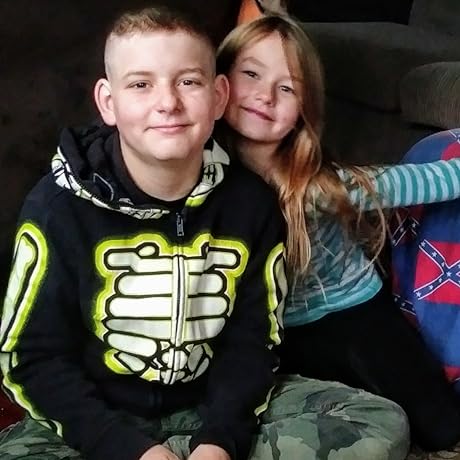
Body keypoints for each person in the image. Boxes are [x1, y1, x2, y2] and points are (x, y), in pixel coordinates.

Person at [0, 5, 410, 460]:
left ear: (218, 96)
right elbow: (31, 358)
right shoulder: (56, 209)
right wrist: (131, 450)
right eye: (140, 84)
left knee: (378, 422)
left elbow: (253, 343)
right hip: (99, 419)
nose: (168, 103)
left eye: (188, 82)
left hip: (209, 407)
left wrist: (219, 442)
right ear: (108, 103)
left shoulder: (251, 205)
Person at [216, 12, 460, 452]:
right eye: (250, 74)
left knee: (441, 428)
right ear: (219, 83)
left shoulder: (318, 185)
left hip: (353, 311)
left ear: (304, 110)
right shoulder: (200, 174)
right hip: (279, 335)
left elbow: (417, 181)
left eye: (287, 87)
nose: (265, 95)